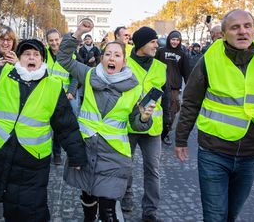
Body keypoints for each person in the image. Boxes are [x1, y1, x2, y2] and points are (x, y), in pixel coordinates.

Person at [0, 19, 86, 222]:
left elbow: (67, 125)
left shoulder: (53, 87)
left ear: (42, 61)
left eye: (36, 54)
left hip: (32, 161)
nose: (31, 57)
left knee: (28, 210)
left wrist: (77, 155)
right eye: (26, 53)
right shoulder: (0, 75)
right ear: (19, 59)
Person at [175, 9, 254, 222]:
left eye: (247, 26)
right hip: (214, 152)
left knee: (231, 215)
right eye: (235, 27)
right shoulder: (209, 58)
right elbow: (191, 101)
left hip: (252, 152)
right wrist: (181, 139)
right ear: (224, 33)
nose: (242, 31)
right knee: (214, 216)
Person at [58, 19, 155, 222]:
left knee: (108, 211)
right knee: (87, 196)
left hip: (114, 154)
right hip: (86, 148)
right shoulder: (88, 74)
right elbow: (64, 58)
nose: (112, 58)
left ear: (124, 61)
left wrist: (144, 118)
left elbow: (135, 122)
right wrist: (77, 33)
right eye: (108, 54)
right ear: (102, 59)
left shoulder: (135, 88)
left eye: (117, 55)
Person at [121, 26, 169, 222]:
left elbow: (164, 98)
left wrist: (167, 125)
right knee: (126, 166)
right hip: (128, 125)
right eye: (152, 42)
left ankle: (150, 212)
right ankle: (126, 198)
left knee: (153, 170)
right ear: (141, 44)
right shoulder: (125, 64)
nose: (156, 45)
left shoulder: (161, 67)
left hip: (153, 127)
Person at [45, 28, 79, 165]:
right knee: (44, 126)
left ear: (61, 40)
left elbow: (76, 76)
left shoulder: (70, 55)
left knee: (60, 127)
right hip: (44, 95)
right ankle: (45, 152)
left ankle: (57, 152)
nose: (54, 43)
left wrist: (71, 91)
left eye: (56, 39)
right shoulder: (42, 54)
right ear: (47, 41)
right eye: (51, 40)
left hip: (63, 96)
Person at [155, 30, 190, 145]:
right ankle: (156, 131)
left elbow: (186, 72)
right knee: (156, 110)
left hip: (174, 88)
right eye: (173, 39)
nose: (175, 42)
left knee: (172, 112)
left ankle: (166, 133)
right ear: (169, 39)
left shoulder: (182, 54)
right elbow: (153, 66)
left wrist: (189, 88)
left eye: (177, 40)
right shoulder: (161, 51)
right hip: (159, 85)